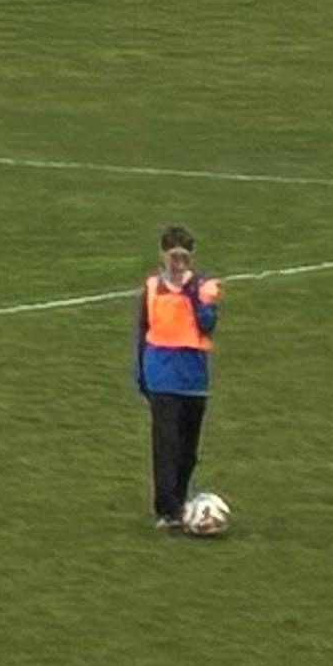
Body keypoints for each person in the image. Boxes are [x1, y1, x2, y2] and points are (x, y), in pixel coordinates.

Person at [134, 222, 223, 530]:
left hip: (193, 378)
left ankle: (180, 501)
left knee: (188, 451)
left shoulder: (202, 288)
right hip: (161, 376)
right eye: (173, 256)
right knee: (166, 446)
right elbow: (143, 332)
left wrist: (199, 300)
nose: (178, 262)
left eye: (184, 256)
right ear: (162, 255)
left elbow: (207, 326)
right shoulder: (151, 288)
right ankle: (167, 511)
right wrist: (141, 373)